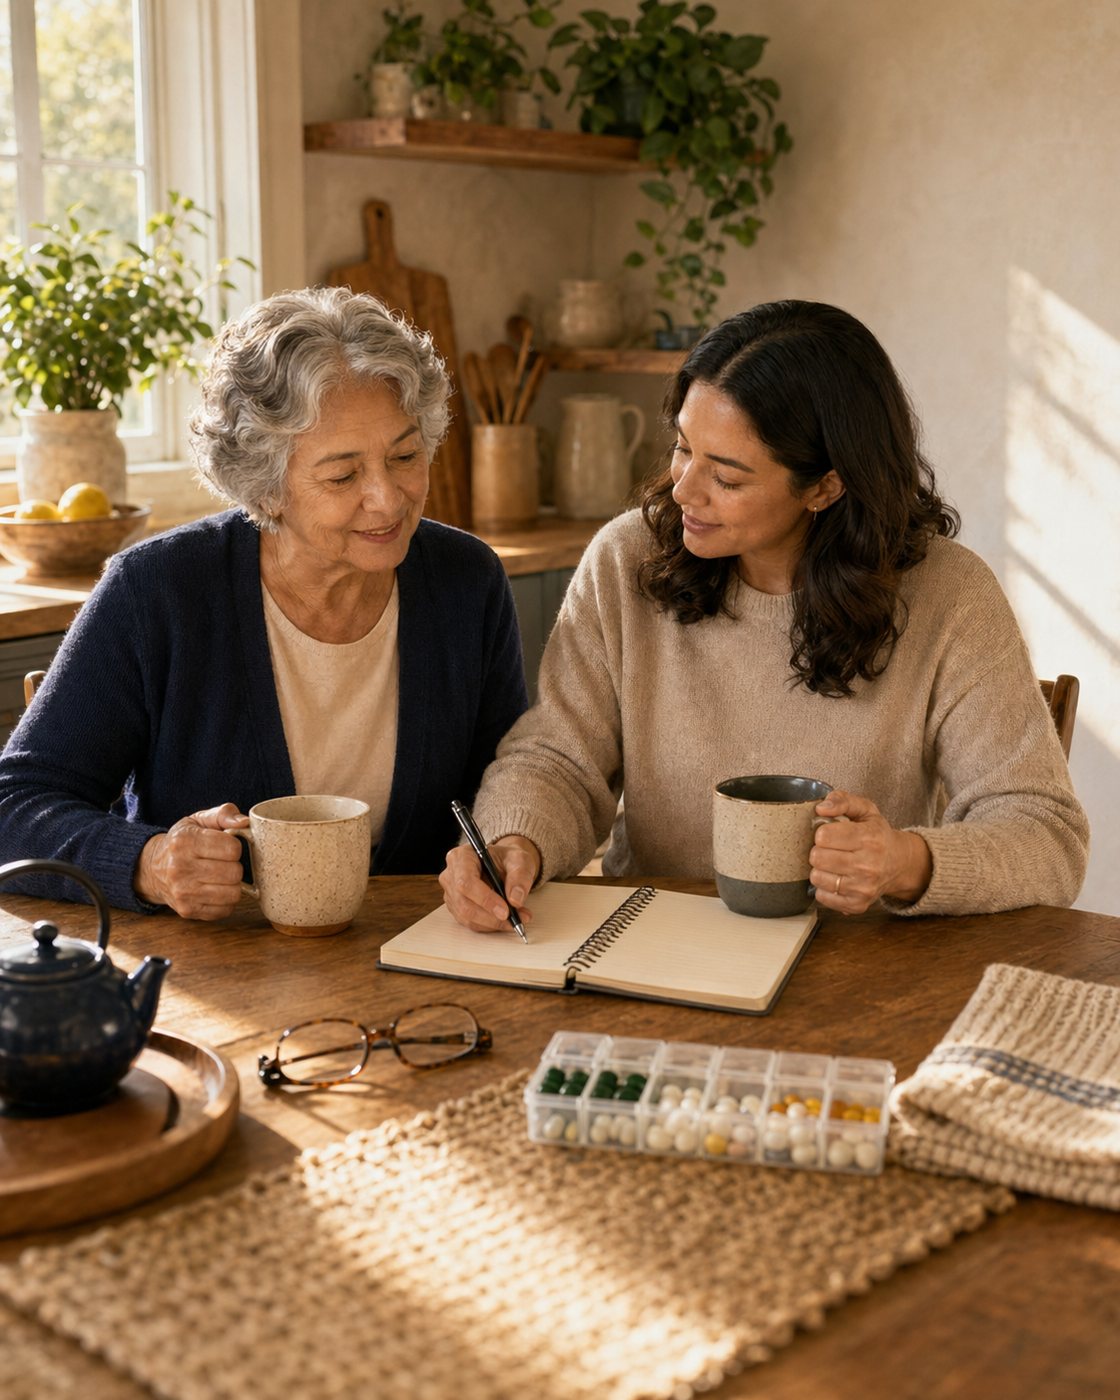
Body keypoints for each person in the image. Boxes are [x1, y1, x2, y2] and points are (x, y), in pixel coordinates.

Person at [441, 299, 1089, 930]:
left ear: (824, 486)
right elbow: (556, 760)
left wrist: (905, 862)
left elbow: (1045, 837)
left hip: (864, 971)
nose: (684, 488)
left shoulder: (949, 595)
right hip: (652, 945)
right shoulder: (624, 560)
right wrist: (514, 840)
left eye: (726, 476)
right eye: (682, 447)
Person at [0, 286, 527, 917]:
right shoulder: (157, 592)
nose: (388, 499)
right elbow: (15, 806)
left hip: (421, 962)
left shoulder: (468, 582)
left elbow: (507, 780)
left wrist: (507, 843)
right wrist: (149, 863)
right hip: (216, 979)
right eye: (342, 475)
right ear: (264, 486)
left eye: (405, 456)